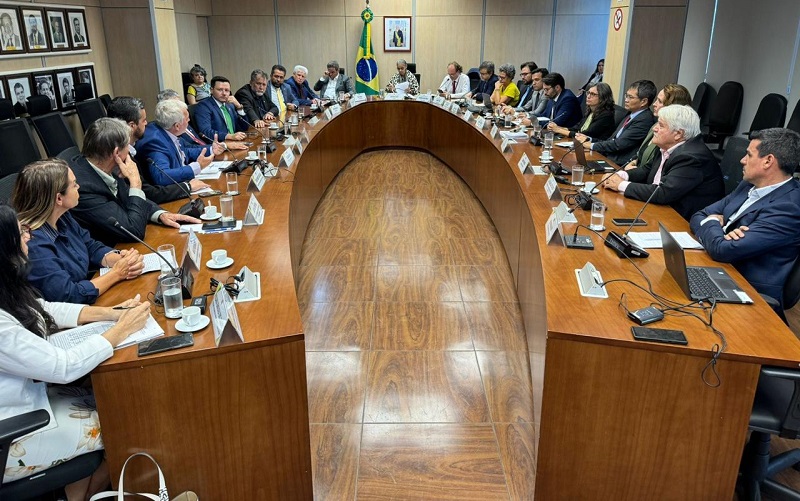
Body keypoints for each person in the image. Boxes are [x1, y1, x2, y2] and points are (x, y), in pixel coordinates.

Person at [0, 203, 151, 500]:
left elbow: (44, 309)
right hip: (14, 432)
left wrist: (112, 314)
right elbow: (63, 367)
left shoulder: (6, 286)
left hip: (34, 398)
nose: (29, 236)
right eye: (21, 233)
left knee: (117, 402)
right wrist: (120, 330)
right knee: (123, 423)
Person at [690, 128, 800, 302]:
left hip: (748, 291)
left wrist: (712, 222)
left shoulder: (789, 208)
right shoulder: (748, 185)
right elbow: (699, 215)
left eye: (749, 155)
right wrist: (719, 232)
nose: (742, 160)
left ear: (768, 161)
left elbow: (723, 250)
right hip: (716, 269)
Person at [12, 160, 144, 304]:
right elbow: (68, 295)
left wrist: (120, 260)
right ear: (59, 198)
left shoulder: (63, 217)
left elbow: (90, 246)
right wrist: (117, 273)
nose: (78, 187)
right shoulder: (32, 243)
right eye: (74, 184)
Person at [67, 117, 200, 246]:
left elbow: (129, 199)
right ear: (117, 153)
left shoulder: (108, 165)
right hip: (111, 251)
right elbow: (134, 230)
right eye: (128, 147)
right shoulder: (84, 187)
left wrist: (160, 214)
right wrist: (135, 183)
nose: (130, 152)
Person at [603, 104, 723, 221]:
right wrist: (621, 175)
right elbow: (647, 170)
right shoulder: (667, 145)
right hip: (659, 208)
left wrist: (621, 184)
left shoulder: (691, 157)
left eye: (661, 125)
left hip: (680, 220)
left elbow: (664, 192)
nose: (654, 129)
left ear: (678, 134)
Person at [107, 96, 212, 202]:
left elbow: (186, 150)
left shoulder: (163, 134)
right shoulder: (149, 142)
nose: (147, 123)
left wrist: (211, 150)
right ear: (131, 126)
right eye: (144, 120)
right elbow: (153, 186)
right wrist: (188, 185)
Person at [136, 99, 219, 185]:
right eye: (187, 119)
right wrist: (196, 167)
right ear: (177, 126)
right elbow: (162, 176)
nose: (189, 120)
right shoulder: (155, 142)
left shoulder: (169, 130)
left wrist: (211, 149)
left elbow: (185, 152)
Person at [576, 79, 656, 165]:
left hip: (618, 164)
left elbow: (619, 144)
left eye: (631, 97)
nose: (626, 100)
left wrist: (592, 145)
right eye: (626, 95)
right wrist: (589, 139)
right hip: (608, 156)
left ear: (644, 101)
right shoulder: (630, 114)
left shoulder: (644, 120)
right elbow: (611, 140)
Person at [623, 83, 692, 172]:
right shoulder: (655, 125)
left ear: (671, 107)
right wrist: (632, 162)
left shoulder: (670, 135)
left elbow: (652, 168)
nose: (654, 104)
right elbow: (640, 153)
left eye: (659, 101)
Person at [547, 82, 616, 141]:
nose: (588, 96)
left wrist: (559, 130)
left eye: (593, 94)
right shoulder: (591, 111)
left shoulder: (606, 115)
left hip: (595, 150)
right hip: (581, 144)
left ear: (603, 98)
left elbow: (584, 134)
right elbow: (576, 128)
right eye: (588, 93)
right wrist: (556, 128)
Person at [193, 76, 248, 142]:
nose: (224, 93)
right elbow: (205, 132)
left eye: (227, 90)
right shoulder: (203, 106)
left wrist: (239, 107)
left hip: (235, 142)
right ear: (211, 90)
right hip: (219, 144)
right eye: (220, 90)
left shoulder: (230, 105)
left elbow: (244, 127)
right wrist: (229, 136)